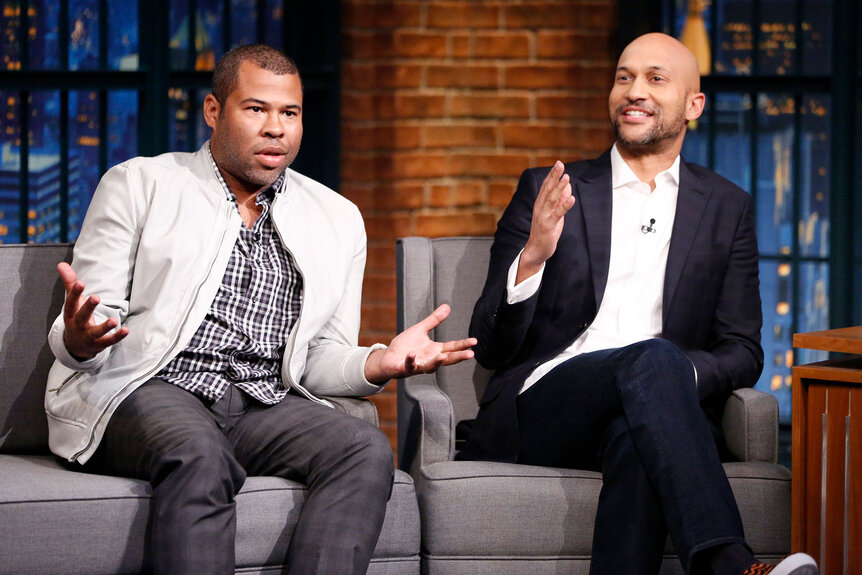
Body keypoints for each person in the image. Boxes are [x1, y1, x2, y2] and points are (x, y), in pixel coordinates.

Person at [45, 44, 475, 575]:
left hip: (262, 404)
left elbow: (318, 357)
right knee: (200, 455)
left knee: (363, 447)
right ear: (213, 111)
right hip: (149, 389)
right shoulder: (140, 185)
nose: (276, 128)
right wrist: (81, 337)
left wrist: (376, 362)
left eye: (289, 113)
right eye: (256, 109)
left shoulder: (337, 218)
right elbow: (85, 327)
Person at [457, 33, 817, 575]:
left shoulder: (726, 207)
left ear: (694, 104)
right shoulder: (550, 188)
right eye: (624, 77)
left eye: (655, 78)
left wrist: (670, 379)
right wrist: (531, 257)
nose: (634, 91)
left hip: (653, 404)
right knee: (651, 358)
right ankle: (730, 564)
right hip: (547, 402)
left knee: (635, 432)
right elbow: (490, 344)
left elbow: (742, 349)